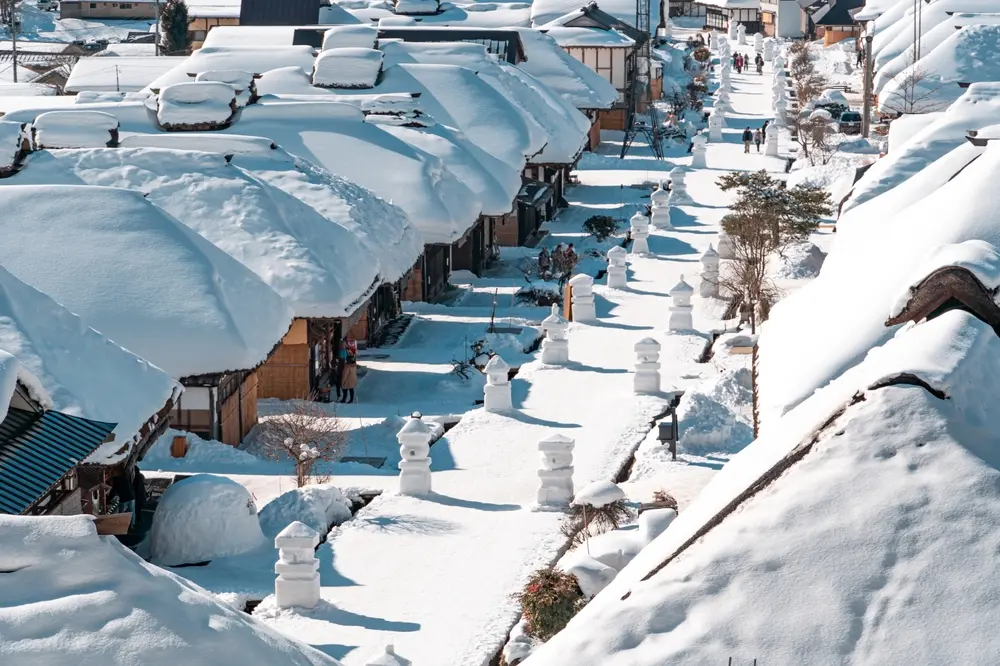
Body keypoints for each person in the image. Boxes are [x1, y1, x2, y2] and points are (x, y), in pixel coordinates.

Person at [340, 336, 358, 404]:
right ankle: (351, 399)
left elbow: (345, 374)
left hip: (347, 380)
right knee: (351, 389)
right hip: (353, 379)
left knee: (345, 389)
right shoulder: (354, 366)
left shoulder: (347, 367)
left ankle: (344, 399)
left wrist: (342, 381)